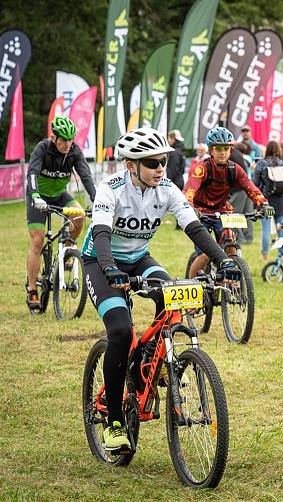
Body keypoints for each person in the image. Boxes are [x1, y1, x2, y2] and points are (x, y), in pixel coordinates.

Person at [81, 127, 241, 453]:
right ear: (130, 165)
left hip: (139, 259)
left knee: (172, 298)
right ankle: (113, 421)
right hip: (100, 261)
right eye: (152, 162)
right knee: (121, 331)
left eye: (163, 162)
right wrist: (110, 268)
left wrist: (223, 260)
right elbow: (99, 233)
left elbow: (194, 228)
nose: (160, 169)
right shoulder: (110, 188)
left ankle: (146, 365)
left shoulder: (166, 188)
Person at [26, 115, 96, 312]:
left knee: (79, 215)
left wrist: (97, 199)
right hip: (37, 196)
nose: (67, 144)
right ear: (53, 138)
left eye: (70, 139)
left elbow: (86, 176)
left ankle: (67, 253)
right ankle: (32, 289)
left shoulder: (74, 152)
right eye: (63, 139)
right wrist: (35, 196)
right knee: (38, 241)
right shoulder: (42, 149)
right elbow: (32, 173)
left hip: (59, 196)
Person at [183, 126, 272, 278]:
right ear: (211, 150)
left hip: (223, 212)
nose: (223, 152)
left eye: (226, 148)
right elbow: (190, 190)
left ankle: (231, 283)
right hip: (201, 213)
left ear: (231, 149)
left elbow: (251, 188)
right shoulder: (203, 168)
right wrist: (190, 206)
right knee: (206, 253)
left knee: (231, 246)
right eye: (218, 148)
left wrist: (263, 203)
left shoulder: (234, 169)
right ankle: (189, 286)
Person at [253, 140, 283, 259]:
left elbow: (255, 183)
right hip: (280, 200)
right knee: (281, 228)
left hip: (266, 201)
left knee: (266, 229)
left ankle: (264, 254)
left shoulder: (261, 164)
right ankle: (282, 254)